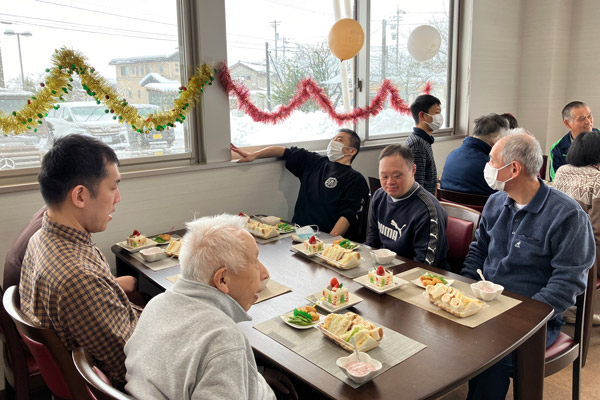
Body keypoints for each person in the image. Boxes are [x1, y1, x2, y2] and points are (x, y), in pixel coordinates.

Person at [461, 132, 595, 399]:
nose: (486, 166)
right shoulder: (496, 203)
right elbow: (479, 250)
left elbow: (567, 282)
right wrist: (464, 288)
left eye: (491, 160)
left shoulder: (566, 215)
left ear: (513, 168)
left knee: (490, 357)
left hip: (536, 318)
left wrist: (522, 317)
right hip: (487, 305)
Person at [125, 214, 297, 400]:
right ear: (222, 279)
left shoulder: (156, 304)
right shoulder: (223, 338)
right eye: (255, 262)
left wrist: (253, 373)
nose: (264, 273)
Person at [19, 134, 141, 386]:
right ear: (80, 196)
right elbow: (128, 368)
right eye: (113, 186)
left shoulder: (41, 238)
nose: (118, 197)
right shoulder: (78, 278)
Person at [230, 129, 369, 240]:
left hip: (324, 237)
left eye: (339, 140)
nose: (333, 142)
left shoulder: (355, 179)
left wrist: (329, 240)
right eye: (333, 139)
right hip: (297, 232)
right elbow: (284, 151)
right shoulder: (315, 162)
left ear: (351, 150)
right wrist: (254, 155)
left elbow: (348, 215)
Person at [365, 144, 449, 268]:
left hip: (418, 276)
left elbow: (424, 265)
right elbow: (372, 241)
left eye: (397, 176)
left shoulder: (428, 211)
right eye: (384, 176)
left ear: (413, 170)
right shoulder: (379, 196)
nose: (390, 182)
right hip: (384, 270)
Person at [554, 130, 600, 325]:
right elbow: (597, 232)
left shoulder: (562, 171)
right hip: (585, 254)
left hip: (555, 247)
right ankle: (590, 308)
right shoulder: (597, 178)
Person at [440, 113, 508, 195]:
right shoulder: (490, 165)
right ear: (496, 139)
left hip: (448, 206)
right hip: (481, 207)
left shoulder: (452, 155)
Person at [549, 101, 597, 181]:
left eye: (589, 116)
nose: (588, 122)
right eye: (582, 119)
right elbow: (555, 182)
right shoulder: (557, 148)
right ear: (567, 123)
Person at [406, 94, 443, 195]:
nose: (440, 118)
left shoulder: (424, 140)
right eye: (436, 113)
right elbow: (417, 186)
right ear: (422, 116)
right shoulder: (417, 144)